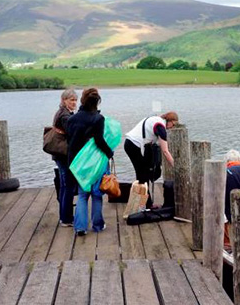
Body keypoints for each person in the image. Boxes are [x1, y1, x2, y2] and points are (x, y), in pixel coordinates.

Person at [64, 88, 114, 236]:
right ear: (97, 102)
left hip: (77, 162)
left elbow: (69, 141)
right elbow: (99, 141)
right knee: (97, 194)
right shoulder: (98, 119)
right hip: (95, 162)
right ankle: (98, 225)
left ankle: (80, 227)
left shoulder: (72, 119)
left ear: (82, 100)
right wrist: (109, 152)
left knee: (82, 194)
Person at [124, 112, 178, 207]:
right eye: (173, 124)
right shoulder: (160, 127)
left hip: (130, 143)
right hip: (134, 145)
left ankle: (145, 204)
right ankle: (146, 205)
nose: (171, 127)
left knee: (142, 174)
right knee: (142, 175)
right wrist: (175, 165)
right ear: (169, 121)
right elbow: (165, 151)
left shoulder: (156, 119)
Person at [52, 88, 78, 227]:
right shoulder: (64, 116)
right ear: (64, 100)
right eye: (71, 100)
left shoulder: (63, 113)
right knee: (68, 185)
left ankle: (64, 216)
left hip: (59, 154)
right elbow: (72, 132)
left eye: (75, 100)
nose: (74, 103)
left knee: (64, 186)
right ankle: (67, 218)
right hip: (63, 154)